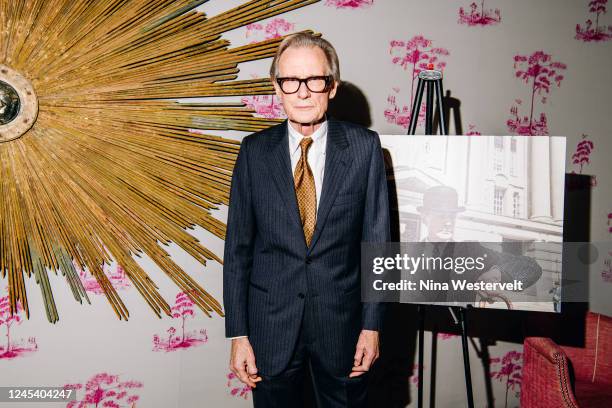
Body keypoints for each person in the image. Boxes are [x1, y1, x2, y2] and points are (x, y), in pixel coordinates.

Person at [223, 33, 390, 408]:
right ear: (276, 88)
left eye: (315, 80)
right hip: (270, 329)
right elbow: (237, 251)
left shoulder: (365, 147)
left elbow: (378, 247)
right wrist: (239, 334)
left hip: (344, 329)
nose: (302, 92)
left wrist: (372, 326)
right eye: (290, 81)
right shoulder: (253, 152)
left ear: (332, 87)